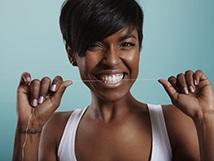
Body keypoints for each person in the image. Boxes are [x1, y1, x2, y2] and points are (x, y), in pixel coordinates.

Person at [12, 0, 214, 160]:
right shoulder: (55, 129)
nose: (112, 60)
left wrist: (206, 117)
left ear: (139, 49)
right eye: (95, 45)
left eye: (126, 44)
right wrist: (29, 126)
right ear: (71, 54)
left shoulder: (175, 123)